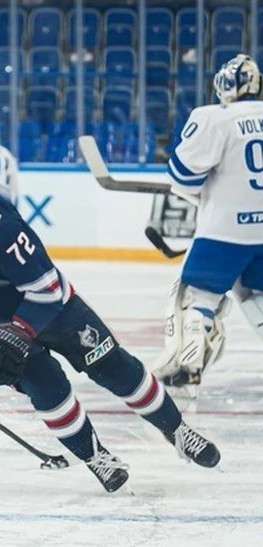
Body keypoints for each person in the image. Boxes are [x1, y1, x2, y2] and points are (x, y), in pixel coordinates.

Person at [0, 149, 221, 493]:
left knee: (115, 368)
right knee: (46, 388)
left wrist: (19, 331)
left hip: (52, 312)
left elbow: (49, 289)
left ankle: (178, 431)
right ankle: (96, 458)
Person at [152, 53, 263, 387]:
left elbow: (183, 177)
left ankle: (188, 364)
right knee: (255, 294)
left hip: (225, 230)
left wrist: (205, 190)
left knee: (196, 297)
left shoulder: (215, 116)